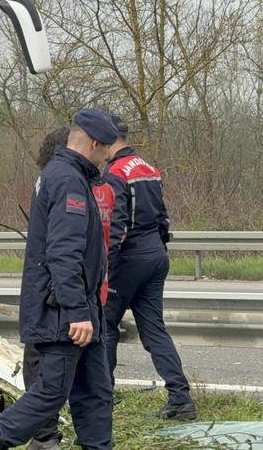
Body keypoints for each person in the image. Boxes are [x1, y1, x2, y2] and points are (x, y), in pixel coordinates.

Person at [0, 109, 117, 450]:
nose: (107, 158)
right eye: (106, 150)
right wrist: (77, 310)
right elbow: (63, 253)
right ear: (94, 143)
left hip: (77, 308)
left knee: (95, 391)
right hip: (62, 311)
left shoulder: (63, 173)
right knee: (50, 393)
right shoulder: (67, 180)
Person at [21, 127, 117, 450]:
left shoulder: (65, 181)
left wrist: (77, 308)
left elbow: (64, 252)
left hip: (67, 303)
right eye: (106, 149)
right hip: (79, 299)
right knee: (77, 387)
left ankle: (45, 438)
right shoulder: (89, 185)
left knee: (59, 385)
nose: (108, 157)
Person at [103, 115, 195, 420]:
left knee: (105, 325)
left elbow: (116, 228)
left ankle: (102, 395)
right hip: (155, 254)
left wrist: (105, 266)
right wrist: (159, 247)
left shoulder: (116, 173)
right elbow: (162, 216)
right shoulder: (148, 167)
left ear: (109, 139)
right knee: (154, 330)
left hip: (129, 257)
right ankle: (180, 399)